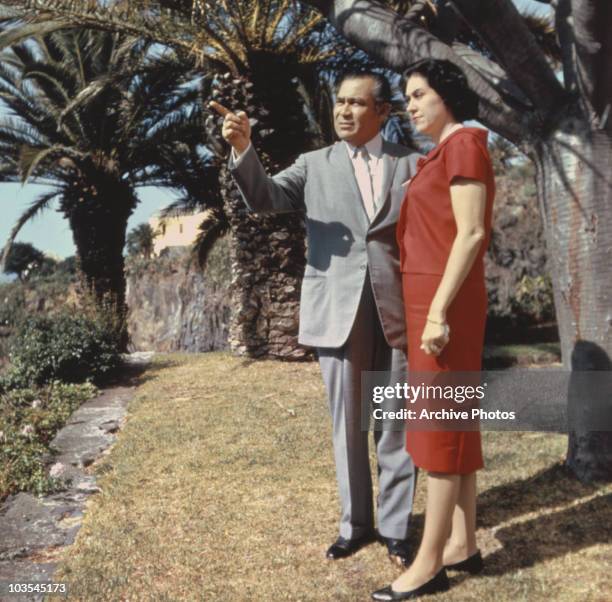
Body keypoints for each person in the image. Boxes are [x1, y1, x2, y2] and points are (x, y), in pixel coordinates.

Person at [210, 70, 419, 565]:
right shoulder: (314, 164)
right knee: (348, 424)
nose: (344, 111)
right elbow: (264, 199)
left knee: (395, 422)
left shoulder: (413, 163)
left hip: (399, 307)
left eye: (357, 103)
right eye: (339, 103)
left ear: (383, 112)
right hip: (337, 309)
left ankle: (395, 528)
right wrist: (242, 149)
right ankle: (356, 526)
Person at [371, 59, 495, 600]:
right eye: (408, 97)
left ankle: (427, 564)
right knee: (455, 422)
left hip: (443, 303)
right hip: (434, 299)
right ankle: (463, 544)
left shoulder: (464, 145)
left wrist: (440, 311)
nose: (411, 105)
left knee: (439, 429)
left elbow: (470, 234)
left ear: (447, 95)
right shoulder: (443, 152)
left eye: (420, 94)